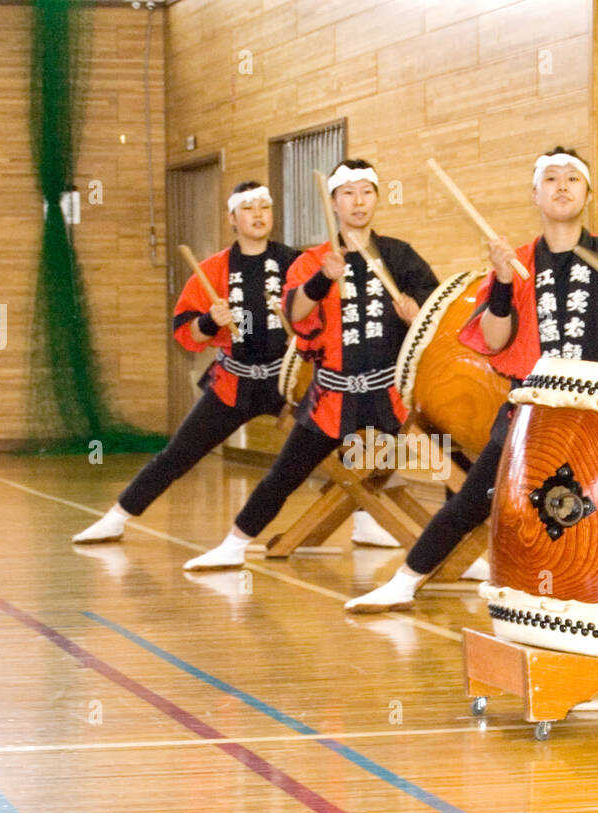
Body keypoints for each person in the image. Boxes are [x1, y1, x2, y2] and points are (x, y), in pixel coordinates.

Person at [345, 147, 598, 612]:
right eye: (550, 178)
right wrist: (500, 282)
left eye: (572, 179)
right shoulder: (516, 264)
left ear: (589, 193)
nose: (561, 186)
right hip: (530, 411)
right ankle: (405, 581)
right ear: (534, 194)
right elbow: (494, 340)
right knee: (471, 501)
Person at [72, 181, 397, 546]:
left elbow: (334, 314)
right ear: (232, 217)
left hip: (291, 380)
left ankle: (364, 518)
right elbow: (187, 334)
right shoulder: (213, 269)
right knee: (179, 453)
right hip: (234, 381)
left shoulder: (298, 262)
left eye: (264, 207)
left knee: (346, 438)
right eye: (248, 208)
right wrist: (211, 320)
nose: (258, 215)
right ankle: (118, 516)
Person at [183, 159, 439, 570]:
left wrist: (418, 314)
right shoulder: (313, 260)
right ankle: (234, 543)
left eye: (366, 192)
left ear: (376, 198)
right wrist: (323, 278)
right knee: (284, 475)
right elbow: (296, 314)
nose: (359, 201)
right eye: (348, 194)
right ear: (334, 203)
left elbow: (435, 311)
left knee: (450, 461)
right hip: (332, 396)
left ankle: (458, 552)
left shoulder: (398, 255)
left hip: (389, 395)